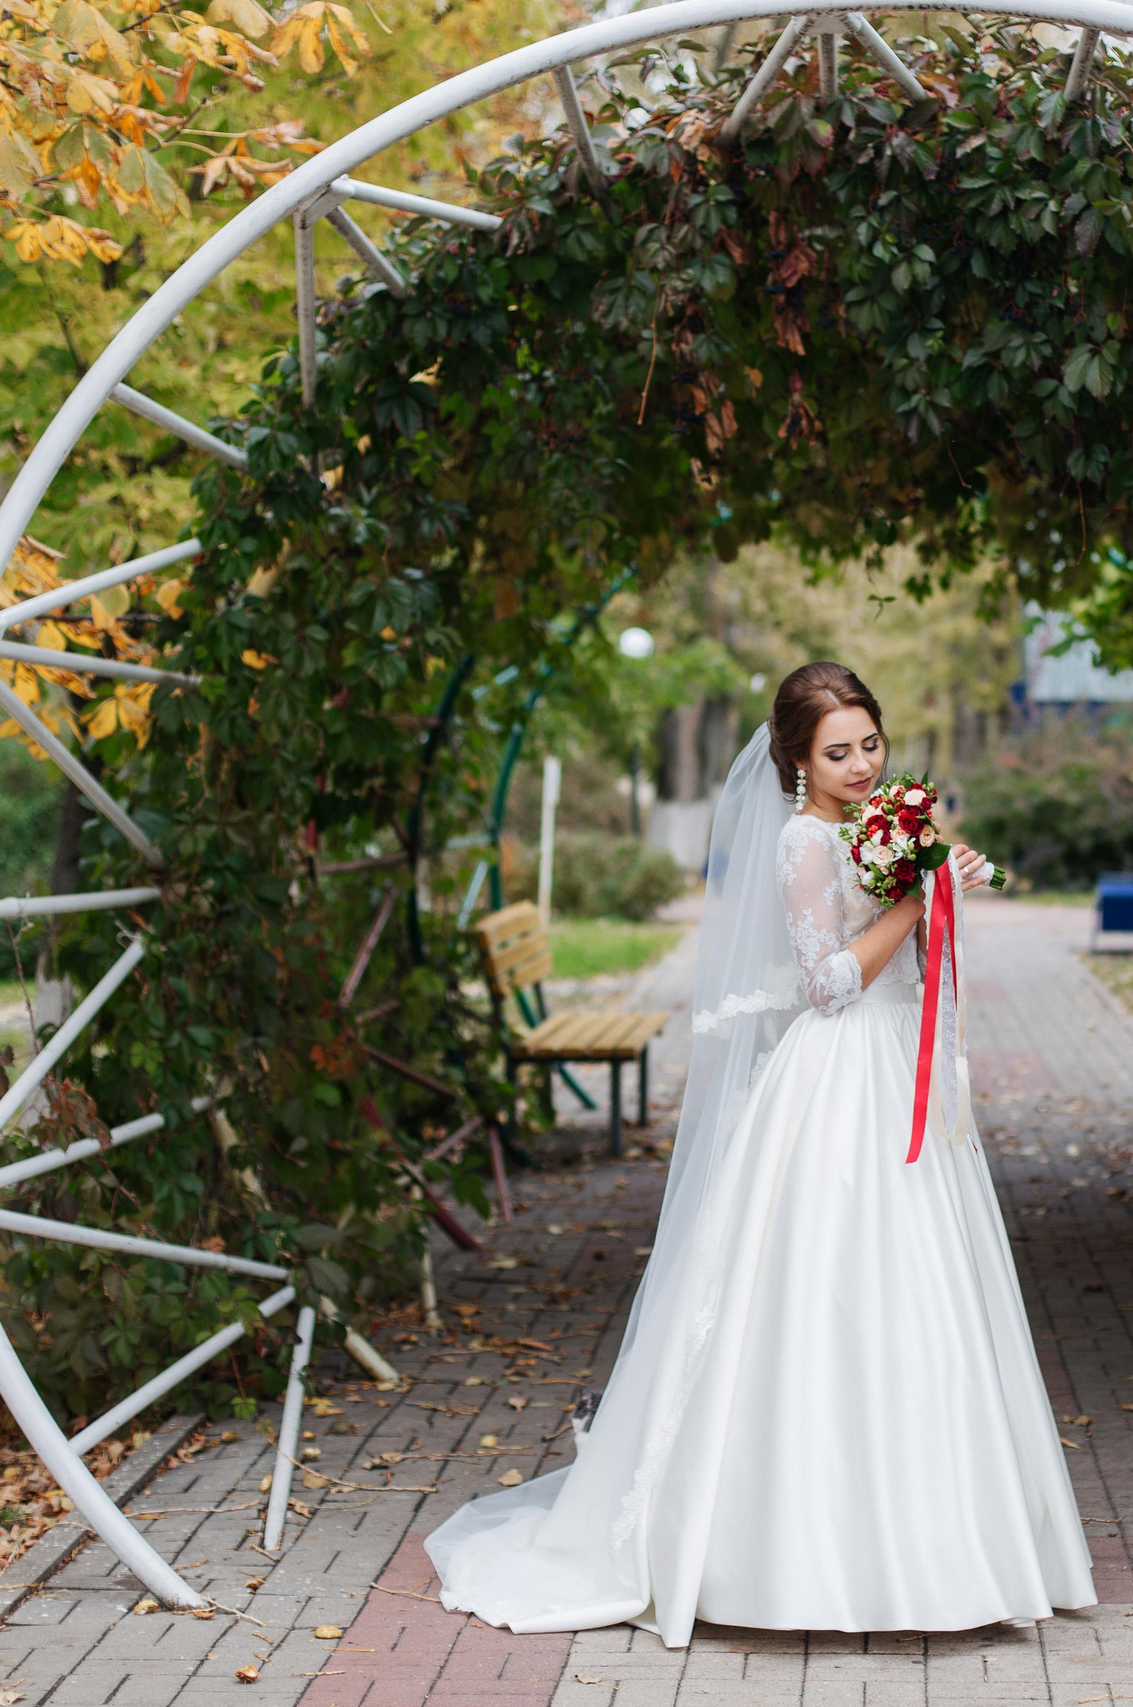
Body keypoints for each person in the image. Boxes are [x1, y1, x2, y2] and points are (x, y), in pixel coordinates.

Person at [424, 661, 1096, 1644]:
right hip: (837, 1078)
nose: (861, 765)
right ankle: (788, 1552)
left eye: (870, 744)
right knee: (819, 1288)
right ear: (796, 760)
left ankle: (950, 1543)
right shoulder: (802, 841)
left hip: (896, 1071)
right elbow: (826, 981)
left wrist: (935, 891)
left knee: (924, 1289)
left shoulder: (875, 828)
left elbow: (904, 965)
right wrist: (919, 897)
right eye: (838, 751)